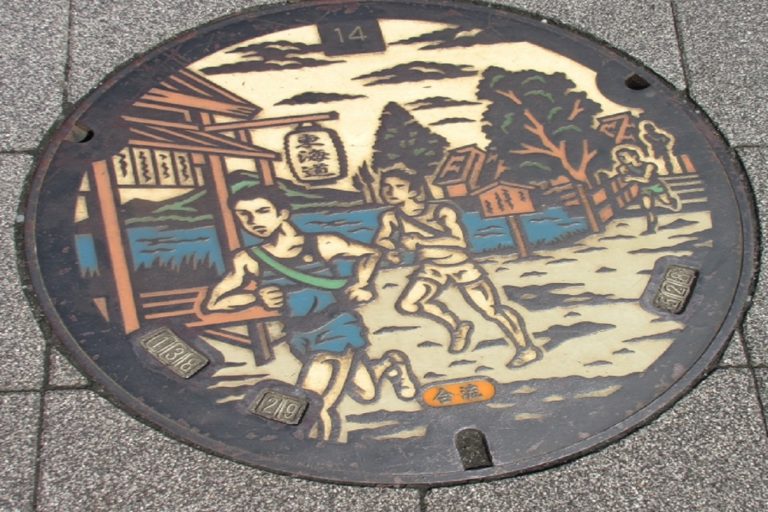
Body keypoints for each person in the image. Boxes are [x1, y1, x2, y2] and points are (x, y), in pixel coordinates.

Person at [206, 186, 417, 442]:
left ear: (282, 213)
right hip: (297, 334)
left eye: (262, 211)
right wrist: (256, 298)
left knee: (314, 403)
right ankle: (390, 364)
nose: (253, 221)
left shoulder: (322, 243)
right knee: (366, 393)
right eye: (244, 215)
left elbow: (371, 253)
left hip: (336, 326)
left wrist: (362, 284)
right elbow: (215, 302)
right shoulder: (249, 258)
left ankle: (317, 448)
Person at [374, 167, 541, 368]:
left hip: (460, 266)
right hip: (432, 268)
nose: (391, 192)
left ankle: (526, 348)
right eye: (386, 187)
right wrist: (390, 250)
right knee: (408, 304)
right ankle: (457, 326)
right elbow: (382, 239)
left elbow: (459, 241)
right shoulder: (391, 217)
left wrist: (421, 241)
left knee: (491, 310)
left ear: (414, 190)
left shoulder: (441, 210)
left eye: (399, 186)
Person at [613, 146, 681, 233]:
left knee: (666, 201)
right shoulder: (624, 168)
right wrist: (624, 173)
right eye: (619, 157)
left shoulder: (649, 166)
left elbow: (646, 179)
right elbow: (625, 179)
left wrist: (632, 177)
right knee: (648, 208)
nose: (621, 159)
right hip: (644, 188)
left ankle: (671, 202)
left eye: (624, 156)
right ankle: (651, 228)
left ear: (634, 156)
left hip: (656, 186)